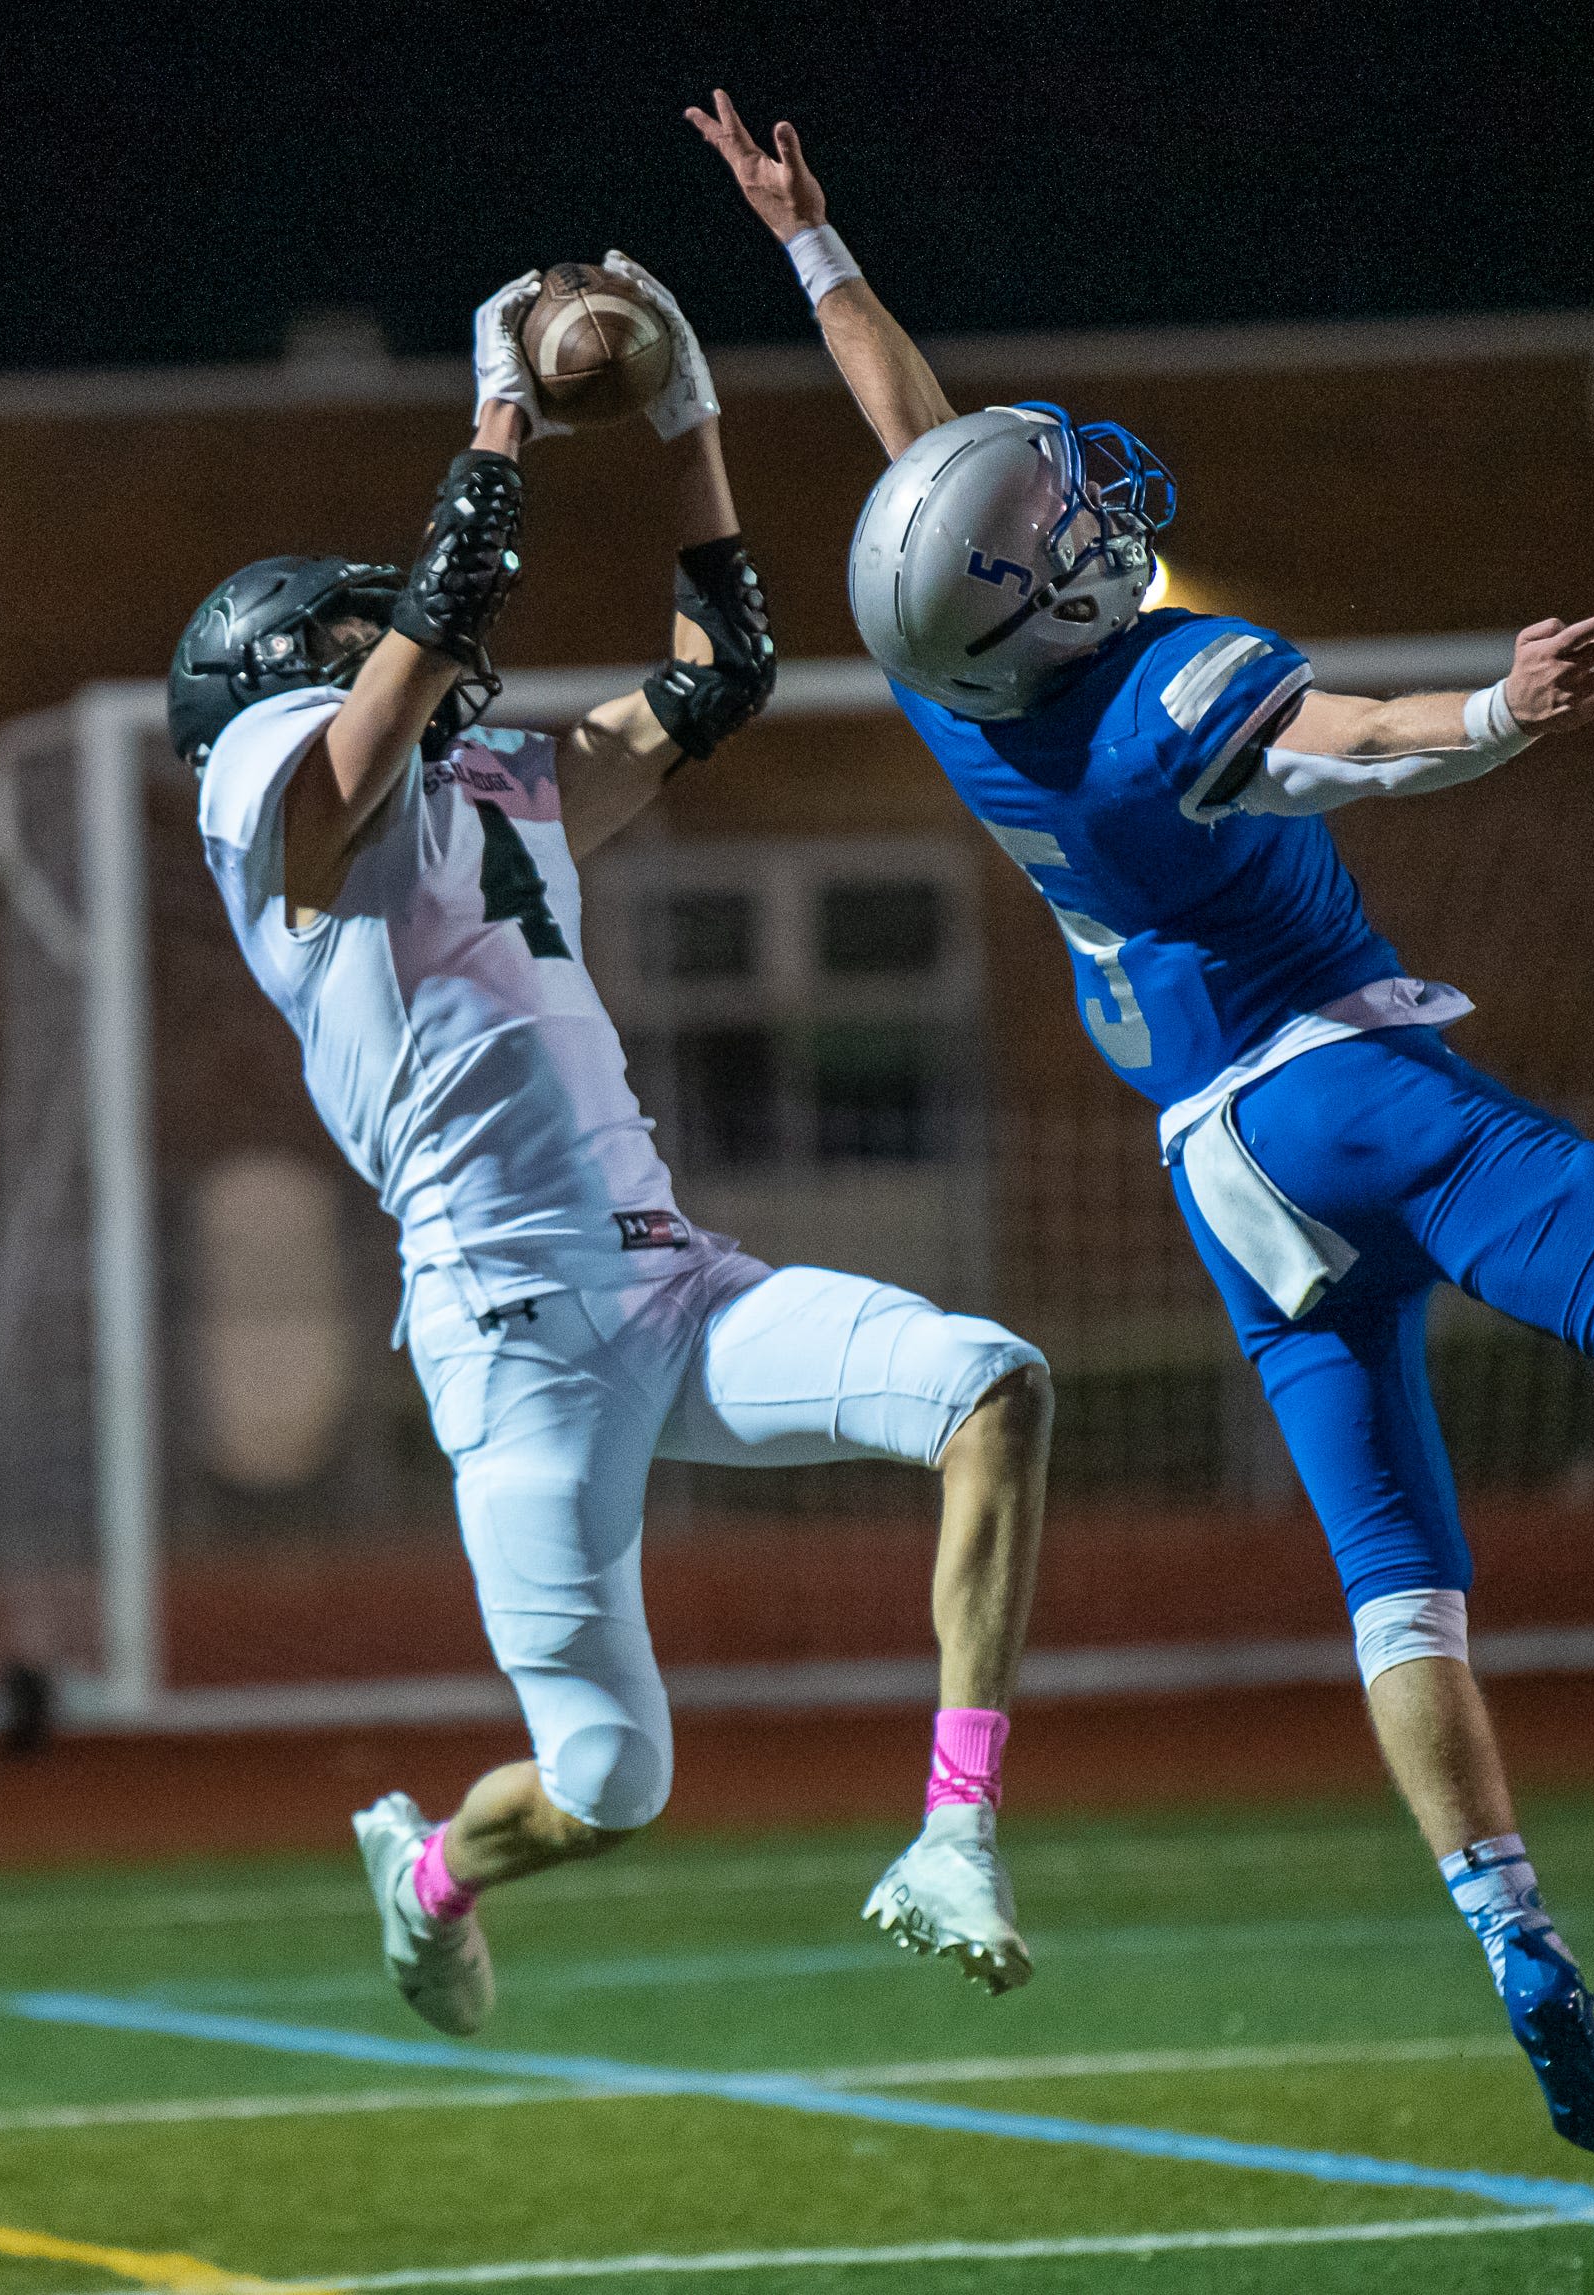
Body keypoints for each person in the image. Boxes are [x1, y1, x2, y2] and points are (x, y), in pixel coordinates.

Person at [688, 92, 1594, 2157]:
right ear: (1029, 602)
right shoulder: (1163, 696)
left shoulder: (968, 694)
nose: (1082, 515)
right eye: (1055, 532)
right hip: (1338, 1086)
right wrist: (1500, 709)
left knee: (1398, 1579)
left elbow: (915, 458)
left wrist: (810, 250)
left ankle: (1510, 1935)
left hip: (1217, 1175)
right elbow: (1353, 747)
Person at [176, 256, 1056, 2038]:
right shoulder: (276, 794)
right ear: (282, 665)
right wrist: (499, 407)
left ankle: (957, 1828)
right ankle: (430, 1875)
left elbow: (720, 671)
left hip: (670, 1285)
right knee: (612, 1785)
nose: (402, 638)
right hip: (510, 1344)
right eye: (357, 632)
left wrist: (686, 419)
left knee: (996, 1387)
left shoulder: (485, 780)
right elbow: (407, 661)